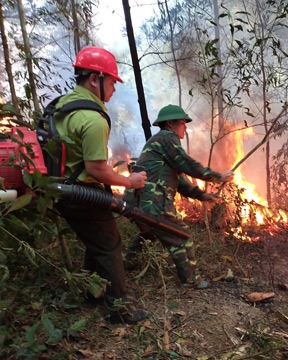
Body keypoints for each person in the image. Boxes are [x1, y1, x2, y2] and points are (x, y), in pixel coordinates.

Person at [53, 46, 149, 324]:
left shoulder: (64, 105)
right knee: (109, 245)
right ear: (94, 79)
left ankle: (91, 292)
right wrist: (129, 180)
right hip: (82, 195)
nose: (114, 89)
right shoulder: (92, 118)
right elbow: (95, 168)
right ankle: (118, 310)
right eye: (111, 81)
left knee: (95, 241)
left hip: (63, 190)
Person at [123, 104, 233, 289]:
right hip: (153, 200)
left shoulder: (160, 143)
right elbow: (186, 164)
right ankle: (189, 280)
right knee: (181, 235)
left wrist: (201, 195)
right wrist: (217, 175)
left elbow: (179, 180)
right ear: (170, 123)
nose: (185, 127)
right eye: (182, 123)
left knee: (148, 232)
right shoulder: (167, 137)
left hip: (137, 199)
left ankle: (125, 263)